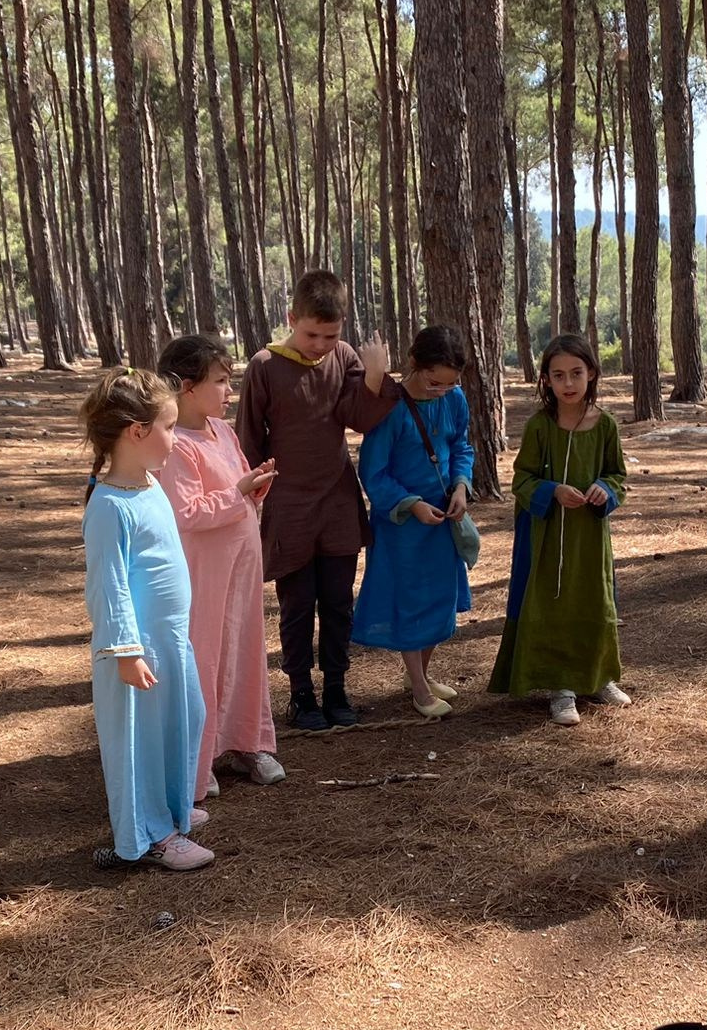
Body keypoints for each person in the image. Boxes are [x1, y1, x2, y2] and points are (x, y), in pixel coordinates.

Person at [237, 269, 397, 731]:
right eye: (312, 334)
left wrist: (372, 376)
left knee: (336, 600)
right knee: (297, 603)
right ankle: (301, 694)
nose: (321, 344)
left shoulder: (343, 356)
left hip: (337, 501)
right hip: (289, 503)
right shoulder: (265, 365)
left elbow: (359, 418)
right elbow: (249, 438)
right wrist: (253, 494)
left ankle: (336, 687)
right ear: (292, 318)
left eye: (331, 334)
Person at [83, 367, 212, 871]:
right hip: (138, 655)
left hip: (171, 642)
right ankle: (152, 835)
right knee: (140, 742)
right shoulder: (110, 506)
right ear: (138, 432)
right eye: (170, 427)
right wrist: (126, 652)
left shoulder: (149, 486)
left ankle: (173, 810)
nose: (175, 439)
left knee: (185, 720)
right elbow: (109, 586)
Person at [155, 333, 285, 798]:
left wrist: (254, 487)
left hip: (242, 564)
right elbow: (186, 512)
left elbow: (236, 488)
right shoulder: (175, 446)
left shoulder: (223, 431)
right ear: (186, 386)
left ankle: (248, 740)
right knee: (206, 653)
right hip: (204, 570)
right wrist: (238, 493)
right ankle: (200, 753)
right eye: (221, 382)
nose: (229, 391)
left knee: (244, 647)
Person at [488, 333, 629, 726]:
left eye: (576, 373)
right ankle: (561, 687)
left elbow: (617, 475)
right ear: (546, 380)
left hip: (589, 539)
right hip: (547, 540)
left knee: (593, 601)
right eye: (558, 375)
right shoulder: (540, 427)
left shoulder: (606, 426)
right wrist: (551, 491)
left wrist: (604, 490)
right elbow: (522, 479)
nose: (568, 383)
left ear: (592, 374)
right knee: (554, 603)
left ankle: (597, 677)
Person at [353, 325, 476, 718]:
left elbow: (461, 446)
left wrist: (460, 486)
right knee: (411, 602)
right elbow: (373, 471)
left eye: (450, 383)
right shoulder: (391, 407)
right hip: (403, 526)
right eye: (434, 381)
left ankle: (419, 672)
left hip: (442, 519)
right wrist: (411, 504)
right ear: (413, 364)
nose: (442, 390)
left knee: (440, 598)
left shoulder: (453, 399)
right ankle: (420, 691)